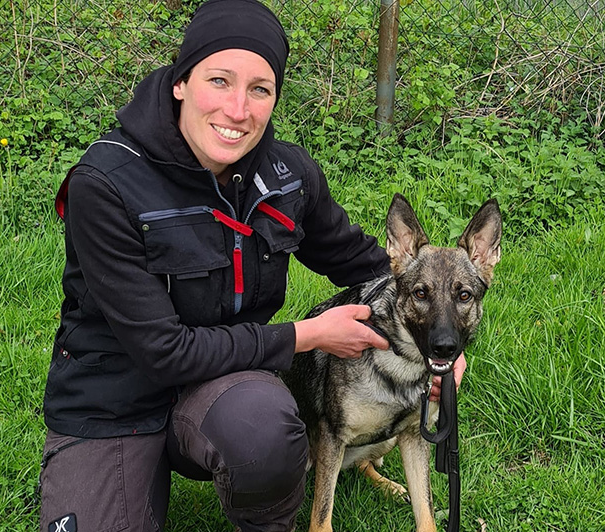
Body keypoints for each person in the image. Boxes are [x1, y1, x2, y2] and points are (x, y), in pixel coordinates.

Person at [38, 1, 466, 531]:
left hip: (225, 383)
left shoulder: (289, 175)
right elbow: (164, 352)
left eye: (260, 89)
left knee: (266, 428)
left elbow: (371, 265)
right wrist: (307, 336)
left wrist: (433, 345)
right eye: (219, 80)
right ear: (180, 81)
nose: (238, 110)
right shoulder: (104, 186)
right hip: (114, 399)